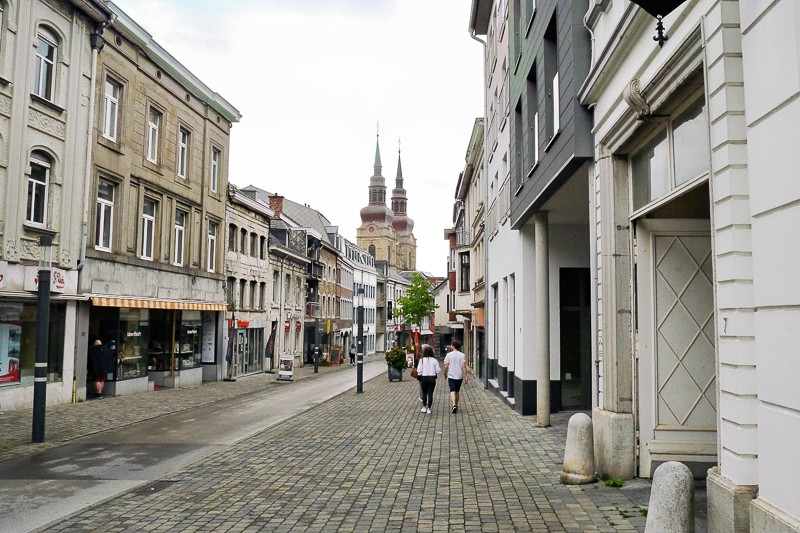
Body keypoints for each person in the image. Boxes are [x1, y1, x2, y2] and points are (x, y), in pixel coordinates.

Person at [444, 339, 468, 413]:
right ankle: (456, 405)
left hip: (451, 375)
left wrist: (445, 373)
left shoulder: (449, 355)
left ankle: (454, 404)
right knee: (457, 391)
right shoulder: (462, 355)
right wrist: (465, 376)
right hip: (459, 376)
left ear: (453, 346)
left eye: (451, 345)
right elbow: (464, 367)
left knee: (452, 390)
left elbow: (446, 366)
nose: (450, 346)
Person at [416, 344, 440, 415]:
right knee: (430, 394)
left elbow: (419, 370)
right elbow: (438, 370)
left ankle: (424, 407)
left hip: (424, 378)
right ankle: (429, 408)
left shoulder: (422, 360)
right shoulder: (435, 360)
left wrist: (421, 373)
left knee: (424, 393)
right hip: (432, 378)